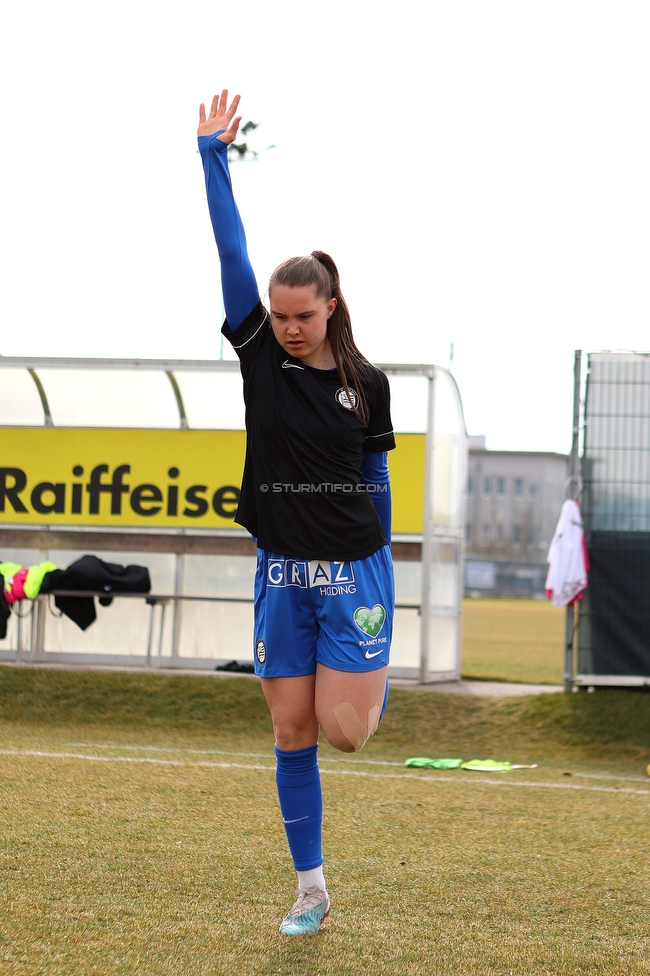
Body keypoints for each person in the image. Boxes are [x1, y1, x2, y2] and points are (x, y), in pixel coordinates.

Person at [198, 90, 396, 936]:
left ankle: (369, 674)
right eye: (277, 317)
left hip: (352, 572)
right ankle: (311, 888)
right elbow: (230, 247)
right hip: (282, 569)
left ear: (331, 311)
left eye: (301, 317)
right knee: (291, 732)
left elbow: (376, 481)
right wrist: (210, 156)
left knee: (346, 733)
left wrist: (372, 557)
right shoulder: (258, 355)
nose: (285, 328)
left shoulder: (367, 385)